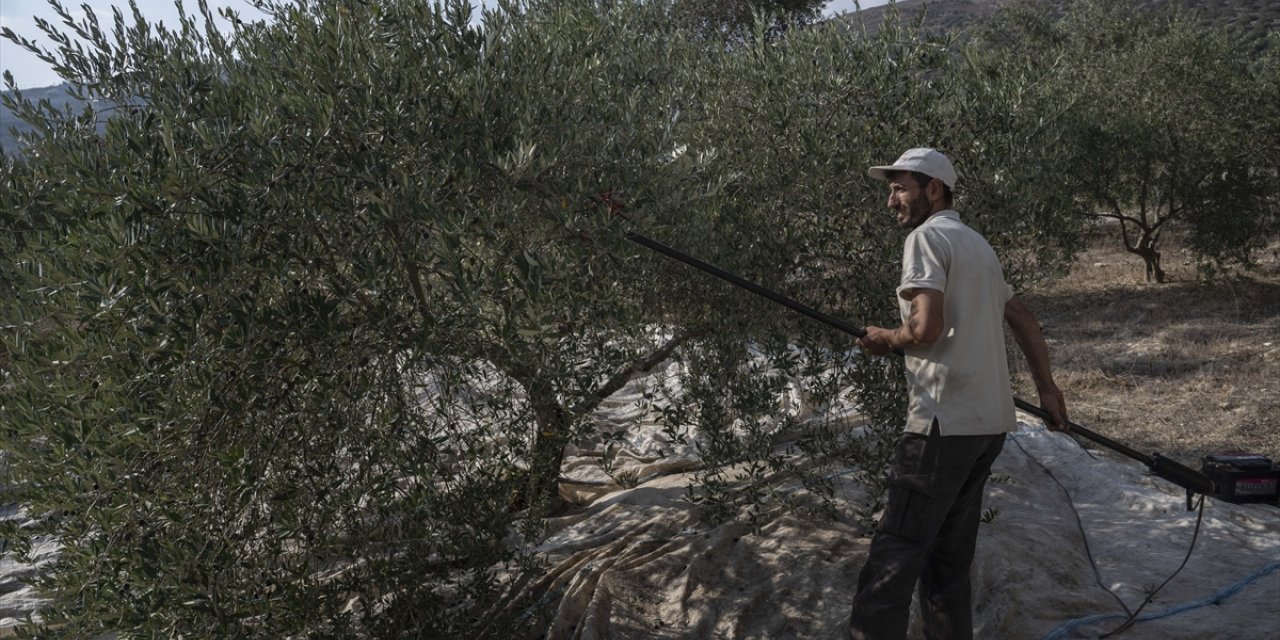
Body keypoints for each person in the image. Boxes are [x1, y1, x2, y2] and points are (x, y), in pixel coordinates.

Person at [849, 148, 1069, 640]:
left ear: (934, 189)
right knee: (947, 570)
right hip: (987, 426)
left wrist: (887, 338)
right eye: (890, 189)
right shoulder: (977, 245)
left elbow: (925, 328)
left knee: (891, 565)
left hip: (940, 426)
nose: (892, 201)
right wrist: (1048, 390)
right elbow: (1025, 321)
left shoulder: (926, 240)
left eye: (900, 187)